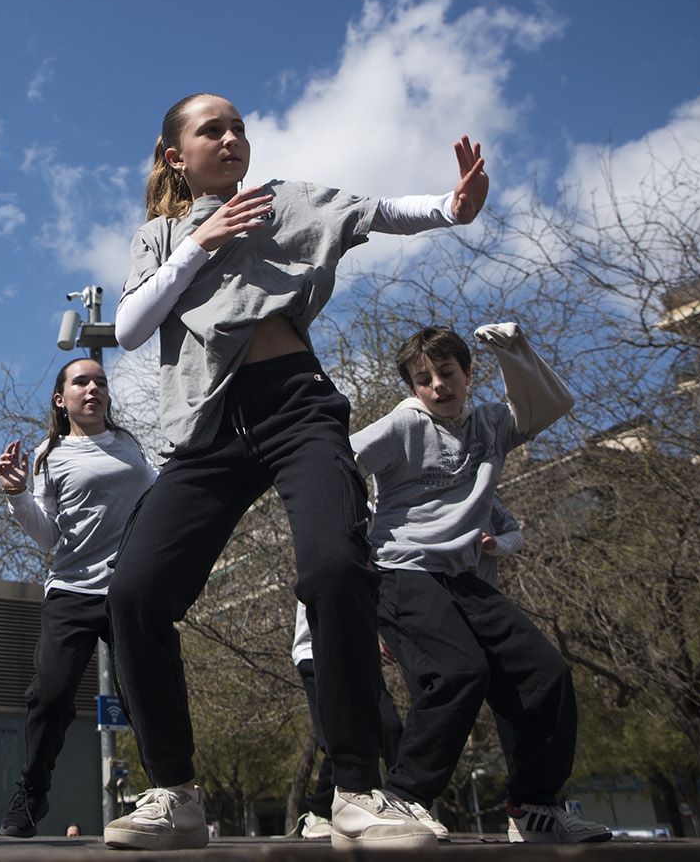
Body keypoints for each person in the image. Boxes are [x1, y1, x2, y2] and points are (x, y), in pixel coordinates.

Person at [107, 92, 488, 851]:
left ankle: (356, 787)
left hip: (296, 407)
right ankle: (175, 793)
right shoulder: (160, 236)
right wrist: (201, 242)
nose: (231, 137)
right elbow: (129, 328)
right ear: (176, 155)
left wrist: (452, 206)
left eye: (239, 127)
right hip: (208, 427)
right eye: (211, 129)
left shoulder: (287, 201)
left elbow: (378, 212)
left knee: (333, 564)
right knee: (135, 594)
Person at [354, 322, 611, 844]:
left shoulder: (492, 423)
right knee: (458, 672)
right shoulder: (401, 425)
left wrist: (515, 351)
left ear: (469, 374)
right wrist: (350, 564)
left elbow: (550, 405)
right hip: (402, 568)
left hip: (462, 576)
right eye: (423, 380)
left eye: (447, 374)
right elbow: (335, 465)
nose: (437, 387)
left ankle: (534, 806)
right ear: (413, 389)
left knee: (544, 673)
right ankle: (403, 799)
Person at [0, 357, 155, 837]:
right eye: (81, 382)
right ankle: (33, 789)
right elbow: (47, 537)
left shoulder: (130, 445)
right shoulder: (48, 455)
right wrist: (17, 495)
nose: (93, 388)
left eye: (100, 382)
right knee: (50, 694)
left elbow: (155, 499)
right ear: (61, 400)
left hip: (129, 590)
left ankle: (169, 790)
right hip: (72, 590)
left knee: (148, 694)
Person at [288, 602, 406, 840]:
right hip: (315, 655)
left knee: (390, 726)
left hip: (360, 658)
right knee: (339, 739)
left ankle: (405, 800)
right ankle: (318, 813)